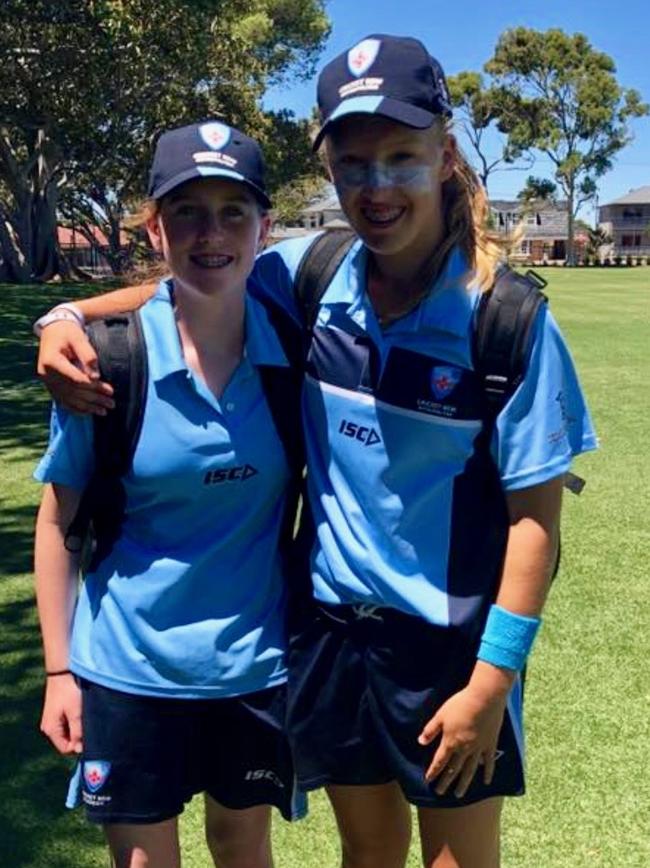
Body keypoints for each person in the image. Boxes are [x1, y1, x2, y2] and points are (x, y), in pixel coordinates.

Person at [35, 35, 597, 868]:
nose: (376, 187)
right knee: (366, 855)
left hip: (451, 647)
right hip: (330, 634)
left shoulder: (503, 320)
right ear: (330, 168)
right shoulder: (312, 272)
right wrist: (67, 316)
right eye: (353, 162)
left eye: (401, 158)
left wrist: (493, 681)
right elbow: (188, 280)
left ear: (446, 155)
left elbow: (535, 528)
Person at [33, 121, 307, 868]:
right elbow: (59, 522)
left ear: (265, 228)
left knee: (242, 849)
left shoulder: (293, 350)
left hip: (255, 667)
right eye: (186, 211)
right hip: (126, 669)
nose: (210, 233)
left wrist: (60, 309)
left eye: (232, 212)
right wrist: (60, 671)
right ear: (155, 228)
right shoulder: (106, 363)